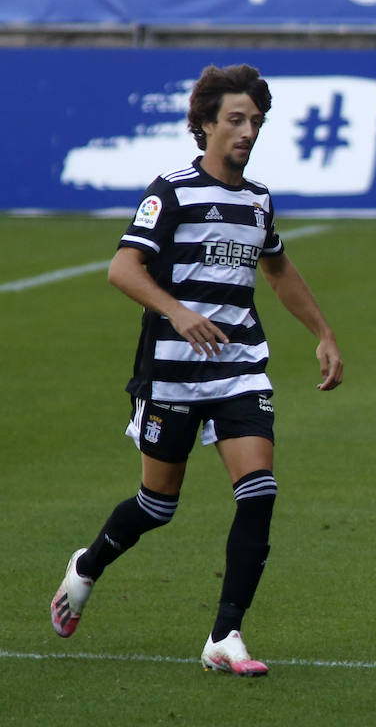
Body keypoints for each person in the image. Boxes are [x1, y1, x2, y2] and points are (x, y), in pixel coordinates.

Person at [49, 63, 344, 676]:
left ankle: (224, 636)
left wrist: (322, 333)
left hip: (239, 367)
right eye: (235, 120)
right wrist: (178, 313)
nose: (247, 131)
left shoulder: (258, 201)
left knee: (259, 491)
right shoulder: (172, 192)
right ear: (205, 124)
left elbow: (279, 269)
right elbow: (123, 269)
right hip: (172, 372)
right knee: (157, 506)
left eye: (255, 122)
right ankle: (86, 566)